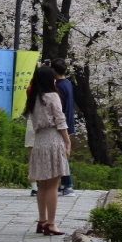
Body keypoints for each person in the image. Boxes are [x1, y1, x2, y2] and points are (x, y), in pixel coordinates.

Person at [25, 65, 71, 236]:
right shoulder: (52, 96)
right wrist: (67, 141)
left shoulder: (34, 97)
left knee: (43, 184)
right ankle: (51, 223)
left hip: (39, 140)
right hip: (53, 140)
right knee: (53, 185)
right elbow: (60, 120)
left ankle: (42, 220)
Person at [51, 58, 75, 196]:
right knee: (62, 154)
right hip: (67, 122)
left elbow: (58, 109)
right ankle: (65, 184)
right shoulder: (67, 83)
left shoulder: (59, 86)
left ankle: (67, 184)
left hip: (61, 124)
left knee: (61, 155)